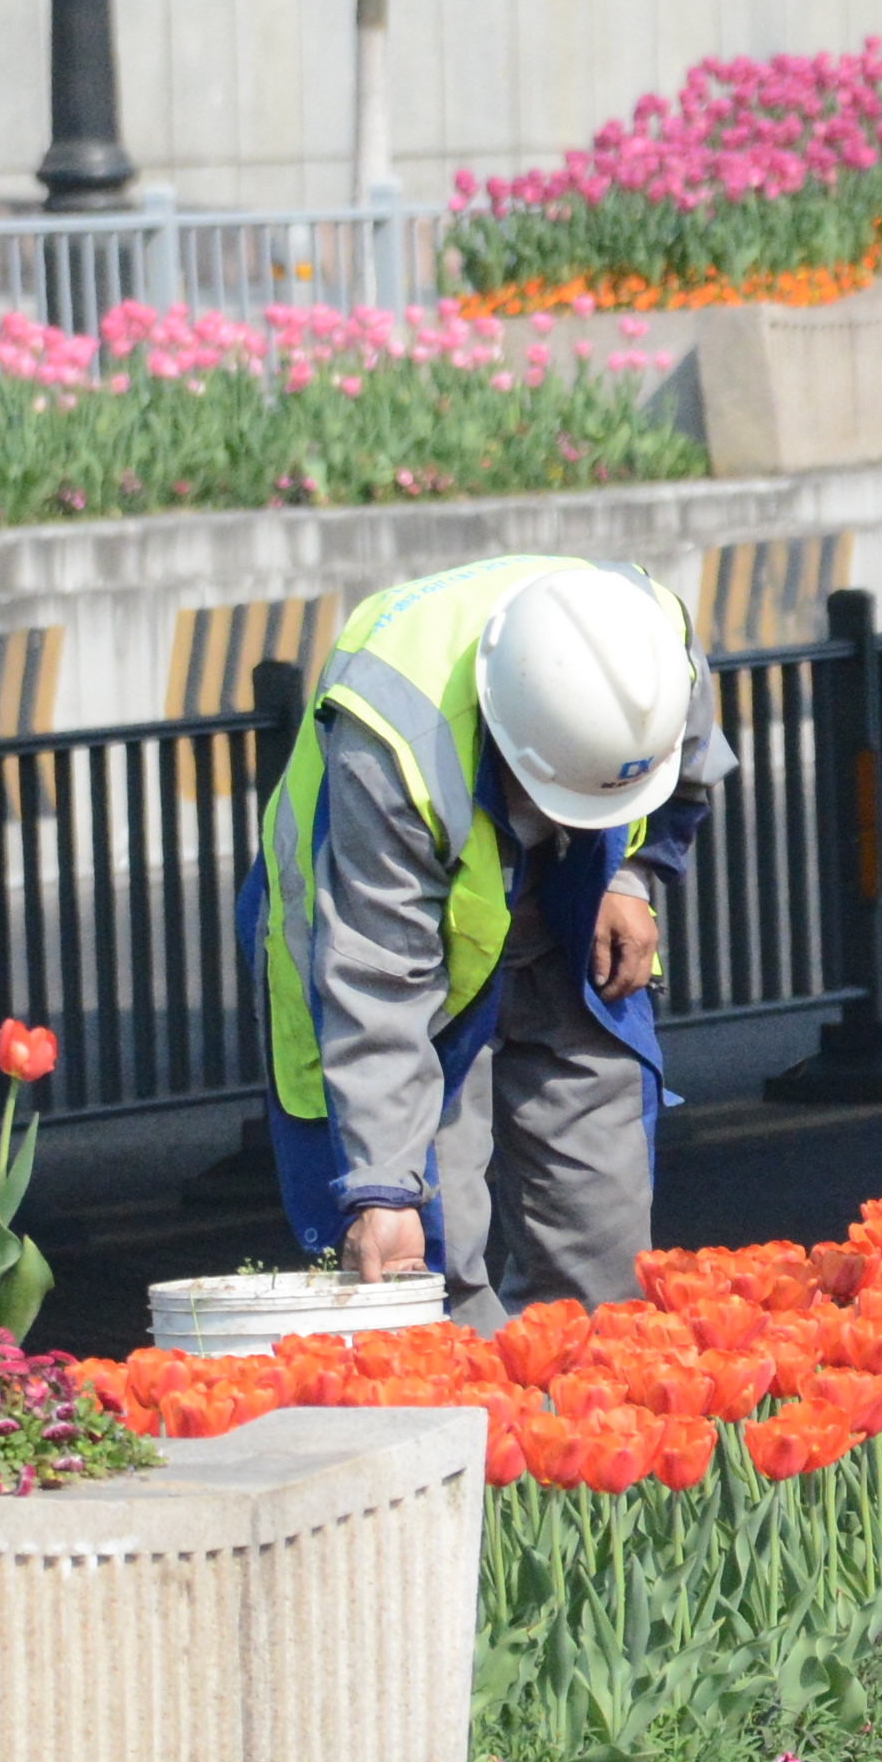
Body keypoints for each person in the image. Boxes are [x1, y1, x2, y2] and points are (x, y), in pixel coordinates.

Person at [242, 552, 723, 1315]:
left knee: (603, 1258)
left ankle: (581, 1425)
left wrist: (629, 876)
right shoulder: (396, 738)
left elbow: (687, 771)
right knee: (429, 1267)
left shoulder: (654, 647)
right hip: (396, 947)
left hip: (565, 925)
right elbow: (377, 978)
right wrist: (382, 1189)